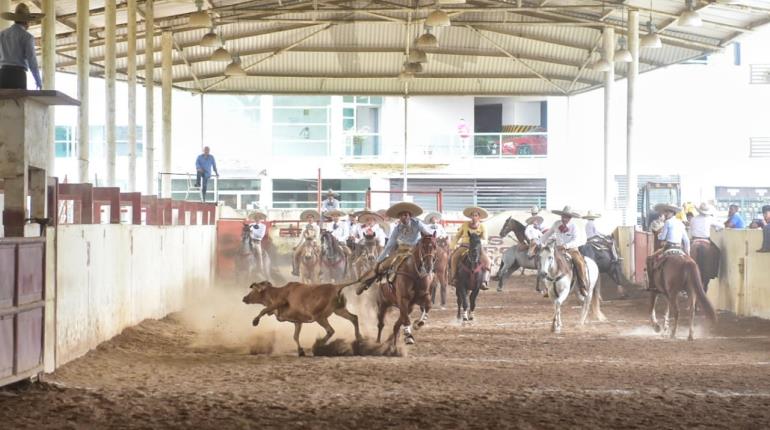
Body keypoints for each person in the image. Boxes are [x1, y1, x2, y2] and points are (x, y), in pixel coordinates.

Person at [356, 202, 432, 294]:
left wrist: (430, 240)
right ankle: (366, 284)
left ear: (410, 216)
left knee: (428, 260)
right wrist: (379, 261)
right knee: (382, 267)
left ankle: (431, 280)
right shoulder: (397, 228)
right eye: (401, 216)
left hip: (416, 250)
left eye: (405, 215)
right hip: (401, 251)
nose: (404, 217)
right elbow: (389, 245)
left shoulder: (418, 224)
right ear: (399, 218)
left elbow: (428, 234)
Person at [539, 206, 589, 295]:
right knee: (546, 260)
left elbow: (576, 240)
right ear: (561, 216)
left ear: (570, 218)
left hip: (571, 250)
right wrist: (540, 243)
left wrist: (566, 245)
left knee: (579, 263)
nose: (564, 218)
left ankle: (582, 286)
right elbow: (547, 234)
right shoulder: (556, 224)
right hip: (557, 250)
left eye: (567, 217)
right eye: (563, 216)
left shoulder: (574, 227)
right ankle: (547, 287)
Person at [0, 3, 43, 90]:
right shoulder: (27, 37)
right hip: (18, 75)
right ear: (26, 21)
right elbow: (32, 61)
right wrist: (38, 80)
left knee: (3, 103)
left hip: (3, 74)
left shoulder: (2, 34)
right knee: (18, 103)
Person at [450, 206, 492, 290]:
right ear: (470, 217)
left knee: (488, 261)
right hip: (464, 246)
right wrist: (452, 245)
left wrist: (478, 243)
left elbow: (485, 239)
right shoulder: (465, 225)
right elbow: (458, 235)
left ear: (479, 217)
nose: (474, 217)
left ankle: (484, 280)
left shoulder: (482, 226)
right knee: (454, 257)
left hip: (477, 247)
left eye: (476, 215)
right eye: (472, 215)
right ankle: (454, 277)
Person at [291, 209, 320, 276]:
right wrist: (297, 245)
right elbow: (301, 237)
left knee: (321, 254)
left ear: (313, 218)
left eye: (311, 217)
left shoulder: (316, 227)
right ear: (307, 219)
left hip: (313, 243)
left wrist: (315, 242)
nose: (310, 219)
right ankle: (296, 270)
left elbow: (317, 236)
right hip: (305, 243)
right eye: (308, 217)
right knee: (295, 254)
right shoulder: (304, 226)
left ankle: (320, 270)